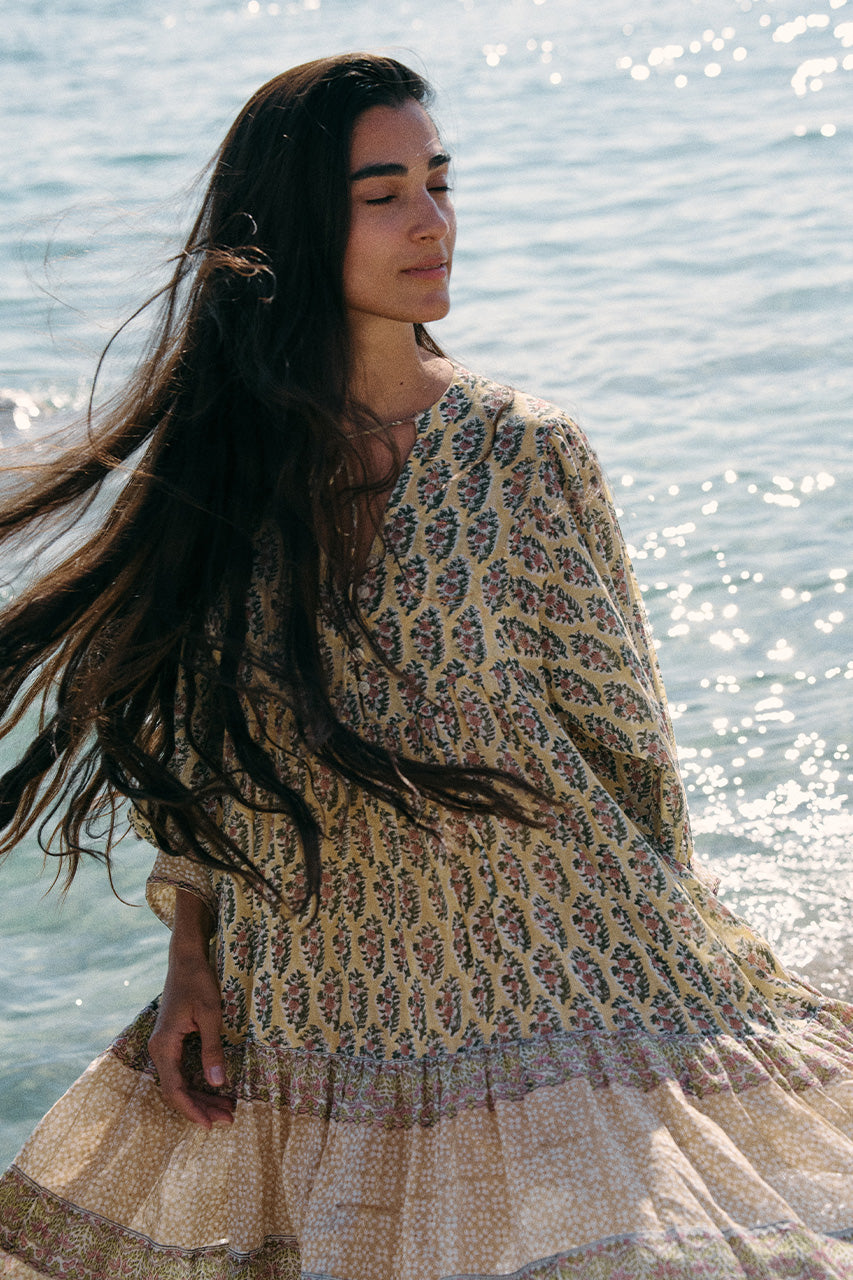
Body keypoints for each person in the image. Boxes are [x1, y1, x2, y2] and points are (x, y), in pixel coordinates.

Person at [0, 51, 851, 1280]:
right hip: (311, 1006)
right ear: (295, 223)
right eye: (383, 191)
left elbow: (630, 757)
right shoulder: (221, 471)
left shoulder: (524, 455)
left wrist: (663, 985)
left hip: (539, 982)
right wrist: (190, 957)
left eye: (440, 182)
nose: (433, 220)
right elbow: (194, 750)